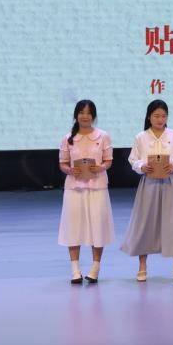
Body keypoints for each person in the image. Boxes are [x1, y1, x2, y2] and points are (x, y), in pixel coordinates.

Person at [120, 100, 173, 283]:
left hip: (170, 183)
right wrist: (141, 166)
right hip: (148, 183)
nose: (160, 119)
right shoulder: (141, 137)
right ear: (149, 117)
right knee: (145, 223)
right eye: (156, 116)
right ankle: (142, 267)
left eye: (163, 116)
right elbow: (133, 159)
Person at [57, 99, 114, 284]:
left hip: (97, 187)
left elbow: (108, 160)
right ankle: (75, 269)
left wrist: (100, 167)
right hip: (74, 188)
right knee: (73, 227)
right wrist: (70, 170)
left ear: (93, 116)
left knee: (98, 226)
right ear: (76, 115)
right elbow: (63, 163)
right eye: (81, 112)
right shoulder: (68, 138)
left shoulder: (103, 136)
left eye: (89, 113)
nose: (85, 116)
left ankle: (95, 268)